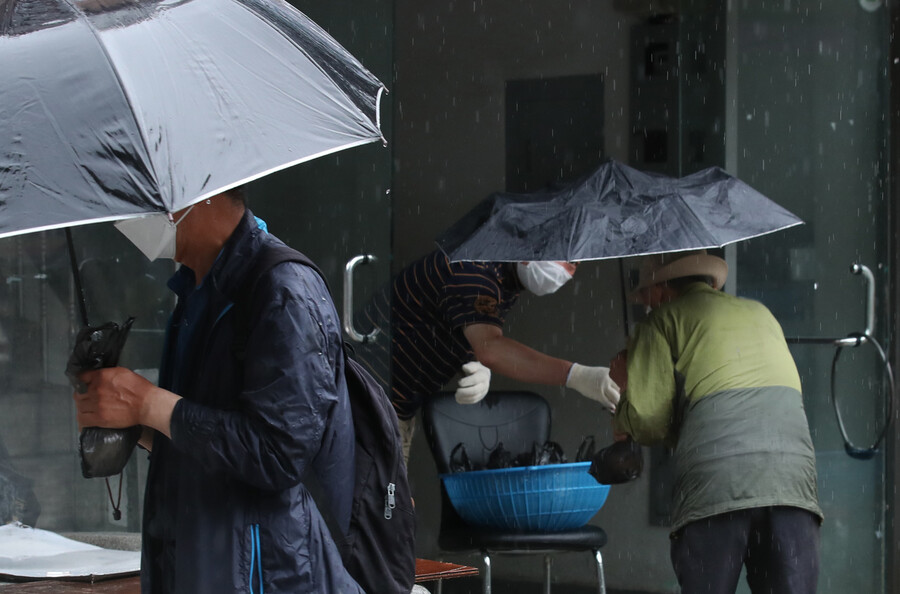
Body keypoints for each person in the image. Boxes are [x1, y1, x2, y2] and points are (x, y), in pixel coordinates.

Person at [72, 188, 364, 593]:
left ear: (200, 193)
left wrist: (150, 404)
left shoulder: (283, 291)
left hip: (265, 573)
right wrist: (130, 418)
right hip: (194, 560)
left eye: (143, 194)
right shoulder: (195, 290)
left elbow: (279, 454)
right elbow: (209, 442)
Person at [610, 249, 823, 594]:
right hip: (791, 478)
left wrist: (624, 391)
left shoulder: (661, 321)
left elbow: (650, 422)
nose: (648, 307)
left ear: (662, 292)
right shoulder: (761, 313)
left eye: (648, 299)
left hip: (716, 478)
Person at [360, 249, 621, 463]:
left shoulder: (502, 274)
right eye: (560, 254)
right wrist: (575, 375)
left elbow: (461, 327)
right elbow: (491, 349)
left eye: (573, 260)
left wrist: (473, 360)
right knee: (376, 513)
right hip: (364, 401)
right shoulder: (474, 269)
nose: (565, 268)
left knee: (388, 512)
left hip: (393, 406)